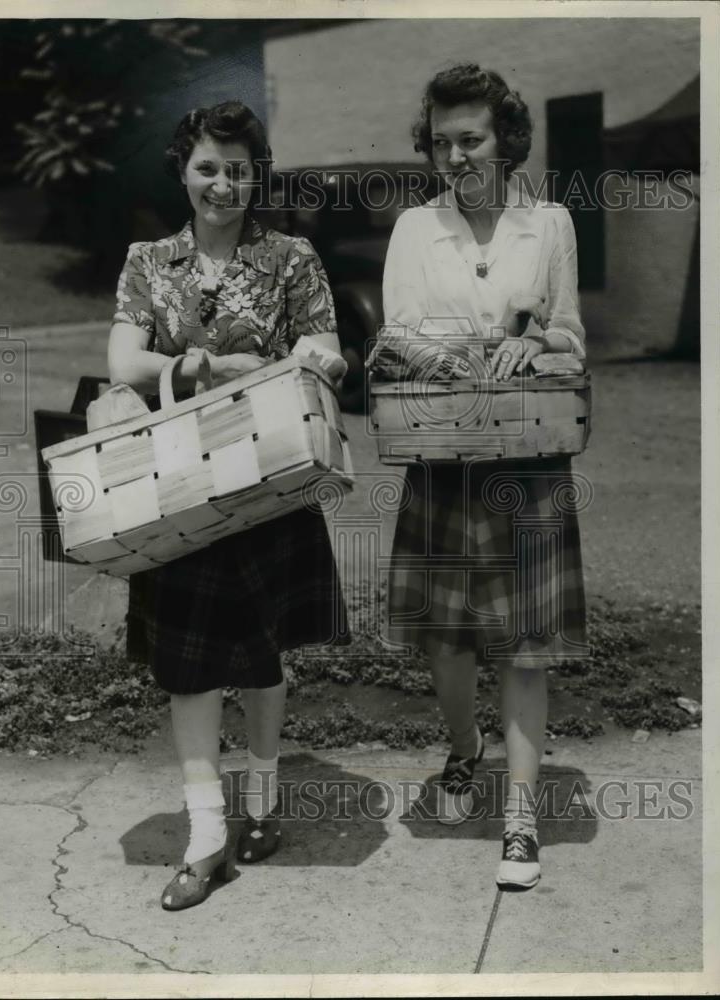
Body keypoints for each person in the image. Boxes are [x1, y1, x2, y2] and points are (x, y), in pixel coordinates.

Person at [108, 101, 349, 911]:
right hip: (176, 483)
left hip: (270, 473)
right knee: (188, 663)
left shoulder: (290, 258)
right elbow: (121, 359)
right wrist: (209, 366)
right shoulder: (149, 260)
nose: (223, 183)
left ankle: (263, 799)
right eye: (208, 167)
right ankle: (207, 830)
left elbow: (328, 350)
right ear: (183, 169)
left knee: (262, 649)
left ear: (258, 173)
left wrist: (302, 357)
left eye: (239, 168)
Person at [380, 64, 587, 890]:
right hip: (442, 459)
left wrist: (537, 340)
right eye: (442, 143)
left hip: (529, 460)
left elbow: (572, 335)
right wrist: (457, 352)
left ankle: (523, 817)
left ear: (506, 141)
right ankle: (464, 754)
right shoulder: (411, 228)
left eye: (472, 140)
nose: (456, 157)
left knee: (527, 648)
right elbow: (393, 341)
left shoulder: (553, 225)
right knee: (449, 641)